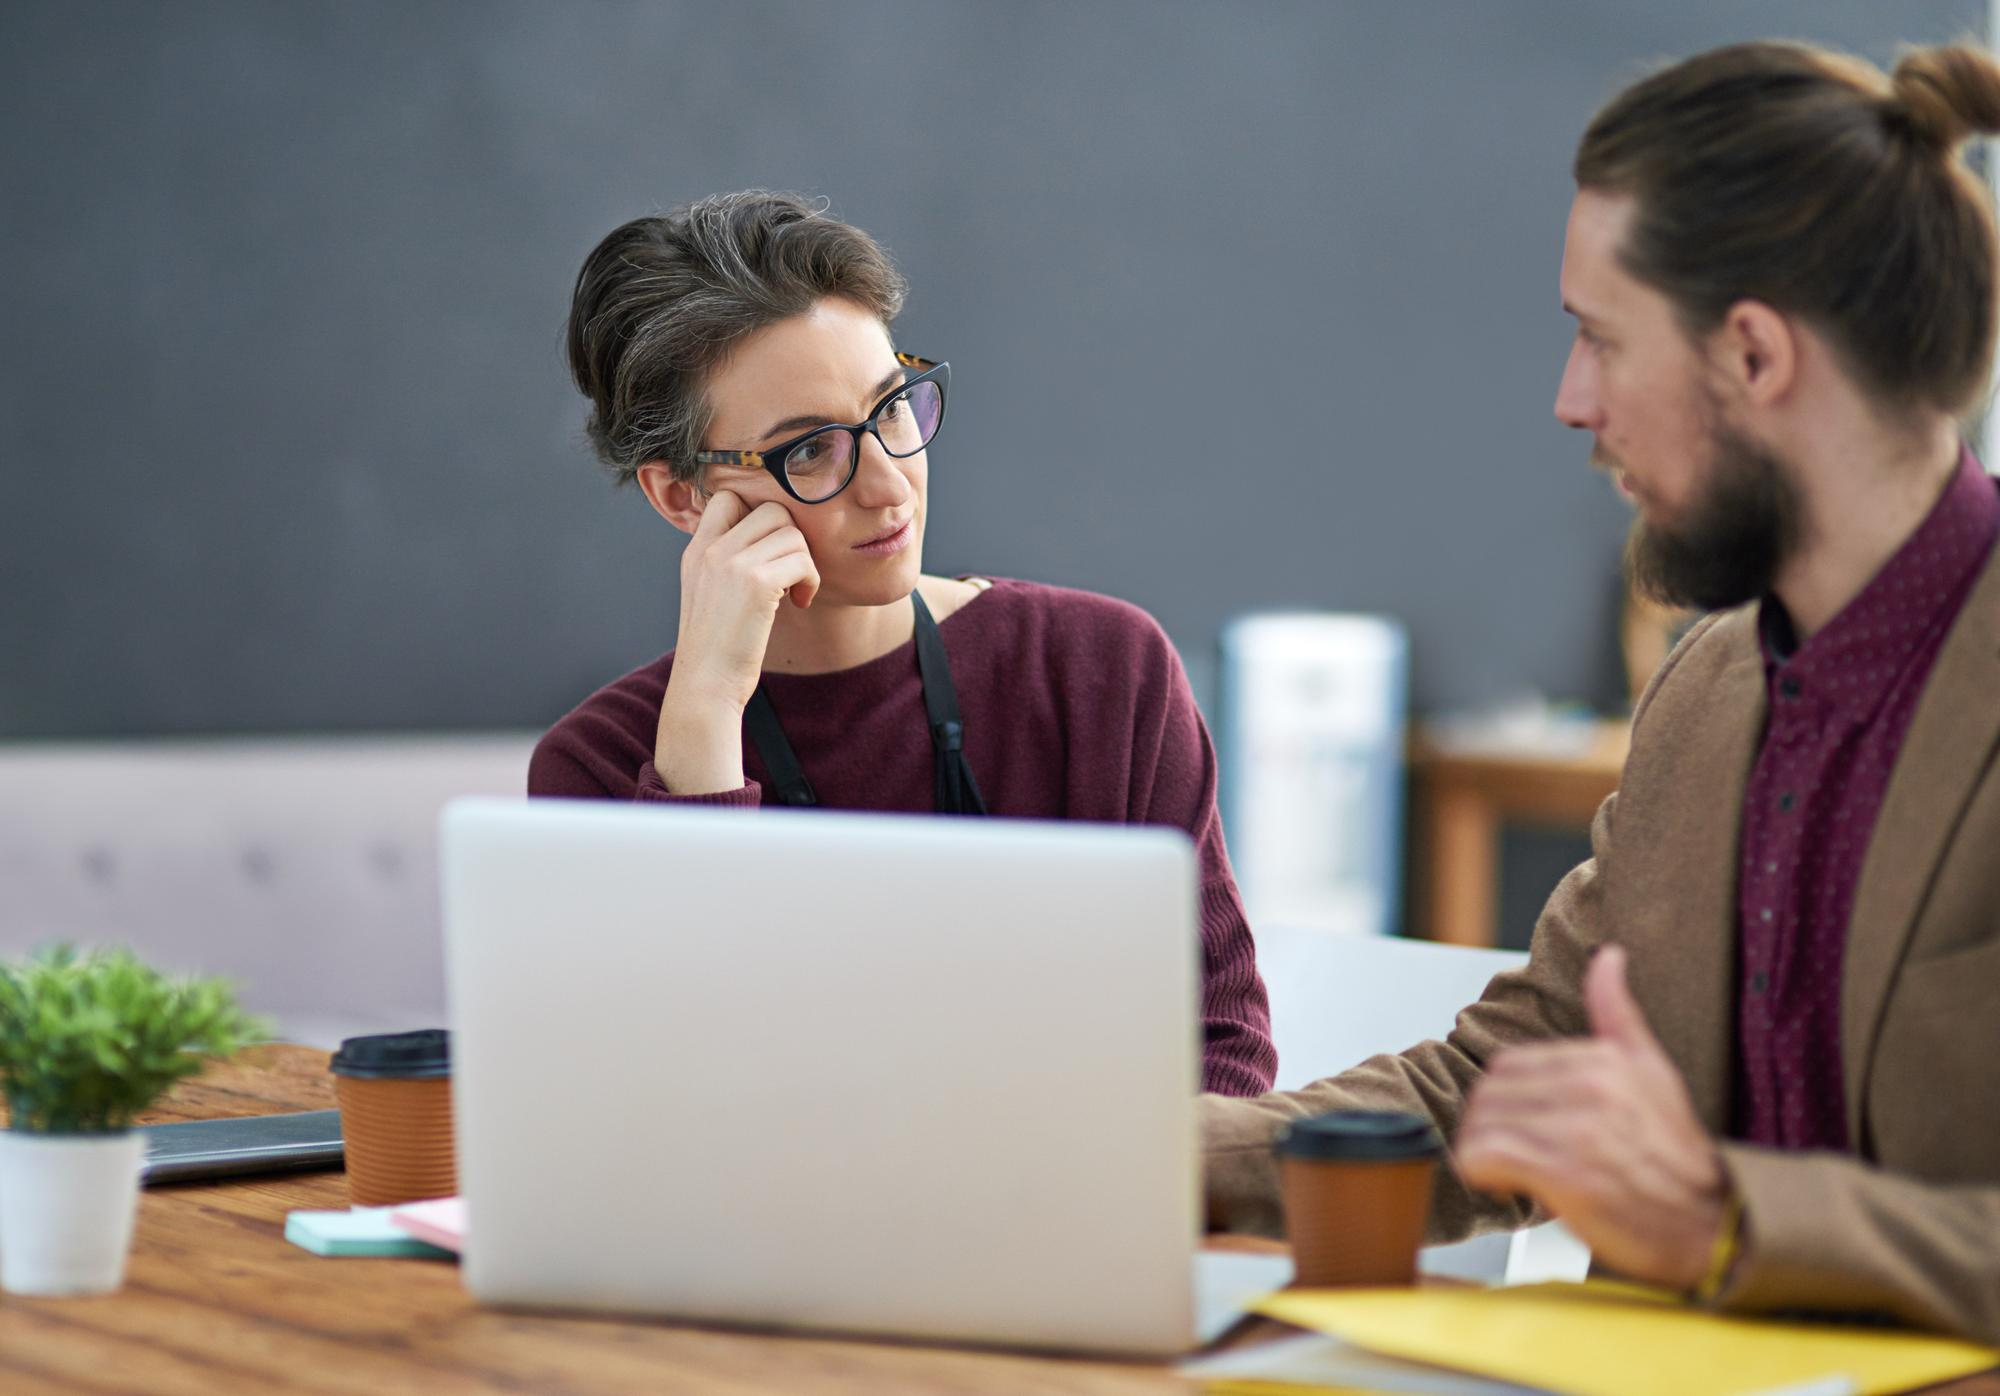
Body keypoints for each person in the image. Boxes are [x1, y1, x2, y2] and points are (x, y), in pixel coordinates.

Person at [1204, 40, 2000, 1341]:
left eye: (1600, 338)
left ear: (1752, 355)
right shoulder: (1712, 694)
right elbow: (1505, 1085)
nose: (1572, 403)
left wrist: (1723, 1221)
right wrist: (1183, 1151)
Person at [529, 191, 1276, 1096]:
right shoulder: (600, 768)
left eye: (892, 408)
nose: (889, 486)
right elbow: (666, 1099)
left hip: (1077, 1226)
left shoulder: (1100, 672)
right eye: (808, 450)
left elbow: (1224, 1055)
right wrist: (704, 726)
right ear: (684, 497)